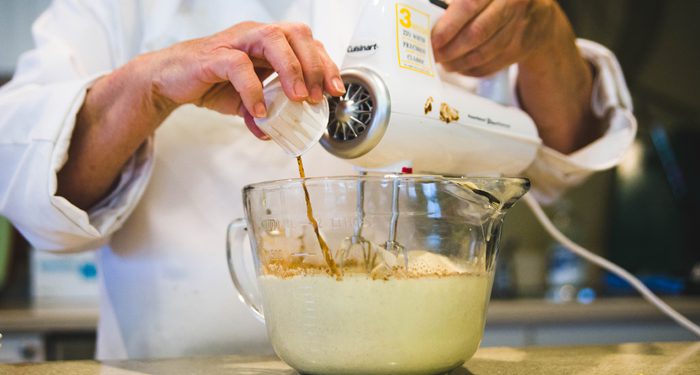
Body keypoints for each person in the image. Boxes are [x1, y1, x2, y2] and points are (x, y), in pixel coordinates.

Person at [0, 0, 635, 360]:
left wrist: (545, 36)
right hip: (169, 366)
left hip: (414, 363)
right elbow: (32, 191)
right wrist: (146, 88)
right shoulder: (112, 7)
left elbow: (557, 161)